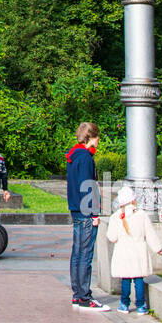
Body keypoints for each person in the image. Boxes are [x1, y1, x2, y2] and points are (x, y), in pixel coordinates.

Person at [106, 185, 162, 314]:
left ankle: (124, 304)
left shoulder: (115, 217)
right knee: (138, 280)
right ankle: (141, 306)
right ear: (133, 200)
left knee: (125, 279)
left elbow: (112, 237)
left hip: (123, 254)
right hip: (138, 254)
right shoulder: (141, 215)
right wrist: (161, 250)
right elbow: (151, 236)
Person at [66, 121, 108, 311]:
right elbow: (87, 186)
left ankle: (78, 294)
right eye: (98, 137)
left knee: (77, 253)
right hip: (85, 212)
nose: (99, 141)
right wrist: (94, 213)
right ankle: (84, 296)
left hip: (76, 209)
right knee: (85, 254)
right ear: (92, 137)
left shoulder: (74, 156)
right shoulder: (86, 158)